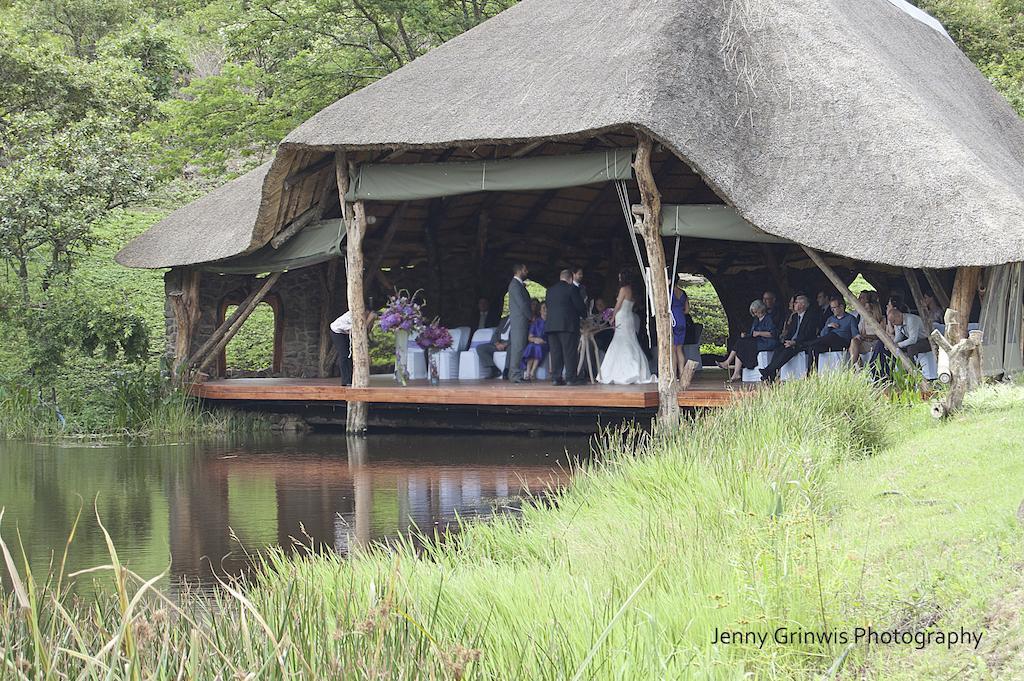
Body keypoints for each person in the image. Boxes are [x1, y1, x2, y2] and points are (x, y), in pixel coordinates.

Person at [599, 268, 655, 385]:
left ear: (623, 278)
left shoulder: (623, 289)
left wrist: (612, 317)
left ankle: (622, 371)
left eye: (620, 277)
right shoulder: (633, 290)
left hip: (622, 316)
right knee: (631, 341)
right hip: (629, 316)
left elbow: (618, 305)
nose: (618, 278)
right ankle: (636, 368)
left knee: (621, 341)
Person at [760, 294, 817, 383]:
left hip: (802, 343)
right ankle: (770, 374)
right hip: (791, 342)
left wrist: (794, 342)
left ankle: (768, 371)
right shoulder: (794, 317)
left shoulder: (811, 317)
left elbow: (808, 334)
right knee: (778, 349)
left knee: (787, 351)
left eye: (796, 302)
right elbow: (790, 332)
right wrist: (787, 341)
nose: (794, 304)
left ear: (802, 305)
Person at [717, 300, 778, 382]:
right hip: (757, 341)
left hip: (767, 342)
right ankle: (736, 372)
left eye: (756, 311)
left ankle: (728, 363)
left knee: (741, 344)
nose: (755, 314)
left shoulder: (768, 319)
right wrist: (746, 335)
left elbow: (773, 334)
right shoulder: (756, 320)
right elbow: (752, 333)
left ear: (761, 309)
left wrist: (760, 333)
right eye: (754, 312)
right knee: (740, 343)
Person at [546, 269, 588, 385]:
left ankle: (556, 378)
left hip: (551, 325)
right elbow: (579, 306)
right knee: (569, 352)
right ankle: (570, 378)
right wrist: (584, 314)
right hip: (567, 325)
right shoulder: (571, 289)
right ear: (570, 279)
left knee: (555, 352)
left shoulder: (550, 290)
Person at [869, 307, 930, 380]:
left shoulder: (911, 320)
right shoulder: (897, 323)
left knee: (911, 349)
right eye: (892, 322)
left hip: (925, 340)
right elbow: (898, 337)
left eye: (894, 321)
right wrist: (891, 345)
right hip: (912, 341)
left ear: (899, 316)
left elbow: (912, 339)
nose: (893, 324)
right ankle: (887, 373)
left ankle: (913, 373)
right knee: (885, 346)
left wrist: (898, 345)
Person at [804, 296, 859, 365]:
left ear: (841, 307)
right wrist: (828, 326)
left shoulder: (851, 318)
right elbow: (822, 335)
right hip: (829, 342)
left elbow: (855, 334)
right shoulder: (830, 319)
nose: (832, 310)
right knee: (813, 348)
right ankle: (811, 373)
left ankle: (806, 344)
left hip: (842, 342)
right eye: (831, 308)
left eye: (834, 308)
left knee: (832, 335)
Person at [330, 309, 378, 386]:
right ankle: (345, 380)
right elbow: (359, 330)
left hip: (345, 332)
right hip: (337, 331)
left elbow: (366, 331)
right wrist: (369, 319)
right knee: (344, 355)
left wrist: (371, 321)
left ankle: (351, 378)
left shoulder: (363, 317)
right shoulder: (353, 315)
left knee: (350, 354)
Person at [507, 263, 532, 384]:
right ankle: (514, 375)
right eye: (525, 270)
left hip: (521, 321)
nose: (527, 272)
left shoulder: (518, 285)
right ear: (520, 271)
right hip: (519, 321)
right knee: (517, 348)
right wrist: (531, 316)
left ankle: (518, 374)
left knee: (520, 348)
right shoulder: (515, 285)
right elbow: (522, 304)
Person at [849, 300, 884, 367]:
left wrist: (869, 337)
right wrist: (863, 337)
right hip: (866, 341)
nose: (865, 310)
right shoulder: (865, 320)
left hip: (875, 342)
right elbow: (863, 334)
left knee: (852, 348)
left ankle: (854, 366)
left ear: (873, 309)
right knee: (853, 342)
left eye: (867, 308)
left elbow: (881, 336)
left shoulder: (881, 320)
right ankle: (856, 364)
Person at [522, 302, 548, 381]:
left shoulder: (550, 321)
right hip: (536, 342)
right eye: (543, 308)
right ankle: (528, 372)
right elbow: (529, 337)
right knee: (531, 346)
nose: (545, 309)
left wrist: (541, 341)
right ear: (540, 311)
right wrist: (536, 340)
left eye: (546, 307)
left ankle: (532, 372)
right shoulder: (536, 322)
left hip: (546, 343)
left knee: (537, 347)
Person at [670, 281, 690, 382]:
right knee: (679, 349)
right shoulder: (683, 293)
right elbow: (687, 310)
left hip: (672, 321)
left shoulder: (669, 292)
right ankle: (682, 373)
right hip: (682, 320)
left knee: (673, 349)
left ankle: (673, 374)